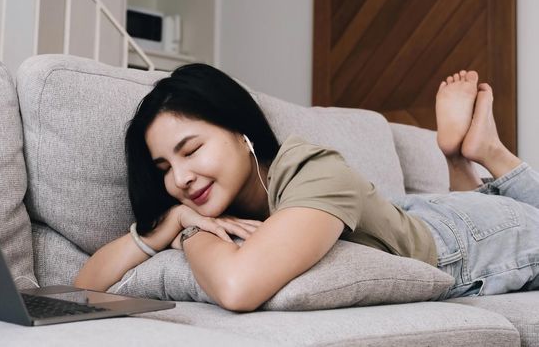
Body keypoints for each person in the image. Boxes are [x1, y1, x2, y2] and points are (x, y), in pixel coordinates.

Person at [73, 64, 539, 312]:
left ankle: (490, 152)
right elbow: (82, 288)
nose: (179, 179)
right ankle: (459, 158)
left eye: (191, 150)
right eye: (163, 168)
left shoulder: (312, 169)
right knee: (465, 203)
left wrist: (192, 232)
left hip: (461, 241)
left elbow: (237, 288)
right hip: (413, 214)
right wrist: (166, 224)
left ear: (241, 132)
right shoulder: (211, 202)